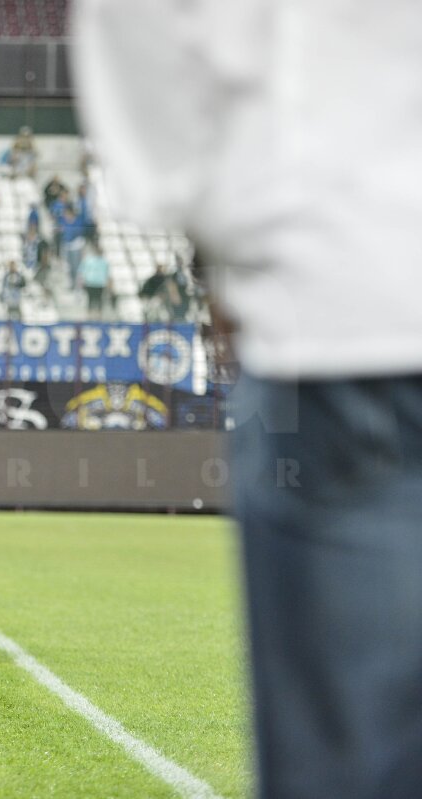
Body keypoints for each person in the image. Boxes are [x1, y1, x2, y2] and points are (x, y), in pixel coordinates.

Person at [74, 3, 422, 795]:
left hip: (344, 315)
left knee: (348, 759)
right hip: (347, 308)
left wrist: (218, 234)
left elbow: (148, 39)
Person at [76, 237, 110, 320]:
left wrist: (108, 284)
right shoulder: (88, 260)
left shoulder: (104, 261)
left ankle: (99, 316)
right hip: (90, 283)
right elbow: (81, 271)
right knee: (90, 300)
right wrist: (81, 282)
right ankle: (89, 316)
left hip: (100, 284)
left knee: (99, 300)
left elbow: (107, 274)